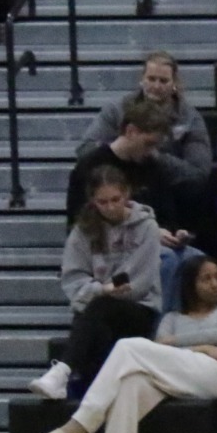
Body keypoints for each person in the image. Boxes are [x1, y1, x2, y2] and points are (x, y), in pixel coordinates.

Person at [29, 254, 217, 433]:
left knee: (128, 347)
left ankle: (79, 426)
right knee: (130, 385)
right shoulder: (172, 318)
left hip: (212, 375)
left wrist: (182, 345)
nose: (214, 283)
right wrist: (202, 347)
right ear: (190, 284)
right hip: (173, 375)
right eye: (206, 278)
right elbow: (160, 347)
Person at [29, 167, 162, 403]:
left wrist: (101, 290)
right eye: (103, 202)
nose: (110, 207)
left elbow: (139, 280)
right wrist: (101, 290)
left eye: (115, 200)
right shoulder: (83, 231)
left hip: (139, 309)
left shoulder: (147, 227)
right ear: (93, 201)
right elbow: (73, 278)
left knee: (96, 309)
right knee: (96, 325)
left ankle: (62, 372)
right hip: (98, 308)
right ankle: (94, 396)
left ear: (127, 194)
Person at [64, 96, 197, 306]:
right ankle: (158, 328)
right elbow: (80, 223)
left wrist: (174, 233)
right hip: (112, 248)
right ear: (131, 131)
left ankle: (177, 325)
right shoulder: (91, 166)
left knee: (195, 259)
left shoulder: (152, 166)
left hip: (148, 239)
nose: (151, 151)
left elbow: (167, 213)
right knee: (166, 261)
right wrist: (149, 232)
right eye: (148, 143)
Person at [76, 50, 215, 179]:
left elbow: (199, 173)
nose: (156, 86)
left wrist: (155, 158)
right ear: (142, 79)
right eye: (151, 79)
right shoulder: (116, 110)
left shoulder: (190, 118)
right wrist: (121, 153)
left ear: (175, 84)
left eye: (163, 81)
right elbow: (85, 151)